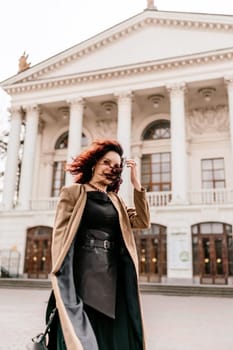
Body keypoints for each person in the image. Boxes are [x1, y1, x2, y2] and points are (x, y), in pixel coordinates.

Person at [46, 139, 150, 350]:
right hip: (81, 276)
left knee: (113, 335)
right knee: (81, 333)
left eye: (115, 165)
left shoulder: (116, 200)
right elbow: (60, 236)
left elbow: (142, 221)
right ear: (94, 163)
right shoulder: (74, 192)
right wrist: (61, 275)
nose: (110, 168)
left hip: (113, 277)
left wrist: (136, 185)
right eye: (106, 162)